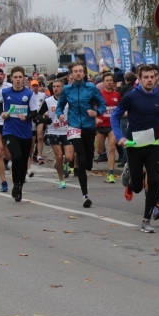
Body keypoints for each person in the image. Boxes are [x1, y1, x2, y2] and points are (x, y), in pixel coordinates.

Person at [112, 64, 159, 233]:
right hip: (134, 145)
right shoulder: (131, 97)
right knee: (138, 187)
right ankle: (130, 177)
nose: (150, 80)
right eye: (146, 77)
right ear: (139, 78)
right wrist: (119, 137)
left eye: (152, 77)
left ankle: (146, 220)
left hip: (153, 144)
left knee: (154, 179)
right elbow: (115, 116)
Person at [56, 62, 106, 208]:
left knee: (88, 163)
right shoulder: (67, 89)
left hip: (89, 127)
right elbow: (60, 106)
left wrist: (96, 112)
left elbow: (102, 105)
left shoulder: (91, 88)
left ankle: (87, 164)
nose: (78, 73)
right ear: (71, 74)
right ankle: (85, 195)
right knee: (82, 160)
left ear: (84, 74)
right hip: (74, 126)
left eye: (80, 71)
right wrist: (60, 114)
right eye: (75, 71)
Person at [0, 66, 38, 202]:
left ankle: (19, 186)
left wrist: (26, 117)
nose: (17, 80)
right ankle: (16, 183)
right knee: (16, 157)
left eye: (20, 77)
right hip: (10, 131)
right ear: (11, 78)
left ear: (24, 79)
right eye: (15, 77)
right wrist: (2, 113)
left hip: (25, 133)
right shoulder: (5, 92)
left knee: (23, 161)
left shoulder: (29, 94)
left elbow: (35, 112)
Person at [38, 79, 72, 188]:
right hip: (53, 132)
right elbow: (38, 115)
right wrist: (45, 120)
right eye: (54, 87)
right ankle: (61, 180)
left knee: (69, 157)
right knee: (59, 156)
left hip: (67, 131)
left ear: (63, 88)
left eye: (58, 86)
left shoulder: (69, 100)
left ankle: (60, 164)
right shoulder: (48, 101)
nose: (56, 89)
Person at [94, 72, 121, 183]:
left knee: (112, 148)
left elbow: (120, 108)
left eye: (111, 80)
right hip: (100, 126)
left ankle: (111, 174)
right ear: (103, 82)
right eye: (107, 80)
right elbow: (92, 108)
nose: (109, 82)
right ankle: (96, 143)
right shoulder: (98, 95)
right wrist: (95, 118)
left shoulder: (117, 95)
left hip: (112, 126)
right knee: (100, 151)